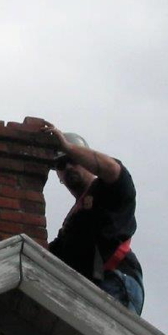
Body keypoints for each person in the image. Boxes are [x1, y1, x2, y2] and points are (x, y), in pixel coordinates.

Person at [43, 124, 144, 315]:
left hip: (115, 279)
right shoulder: (72, 221)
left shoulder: (109, 189)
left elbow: (113, 170)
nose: (68, 167)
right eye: (61, 164)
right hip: (91, 288)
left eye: (72, 160)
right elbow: (50, 255)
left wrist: (67, 147)